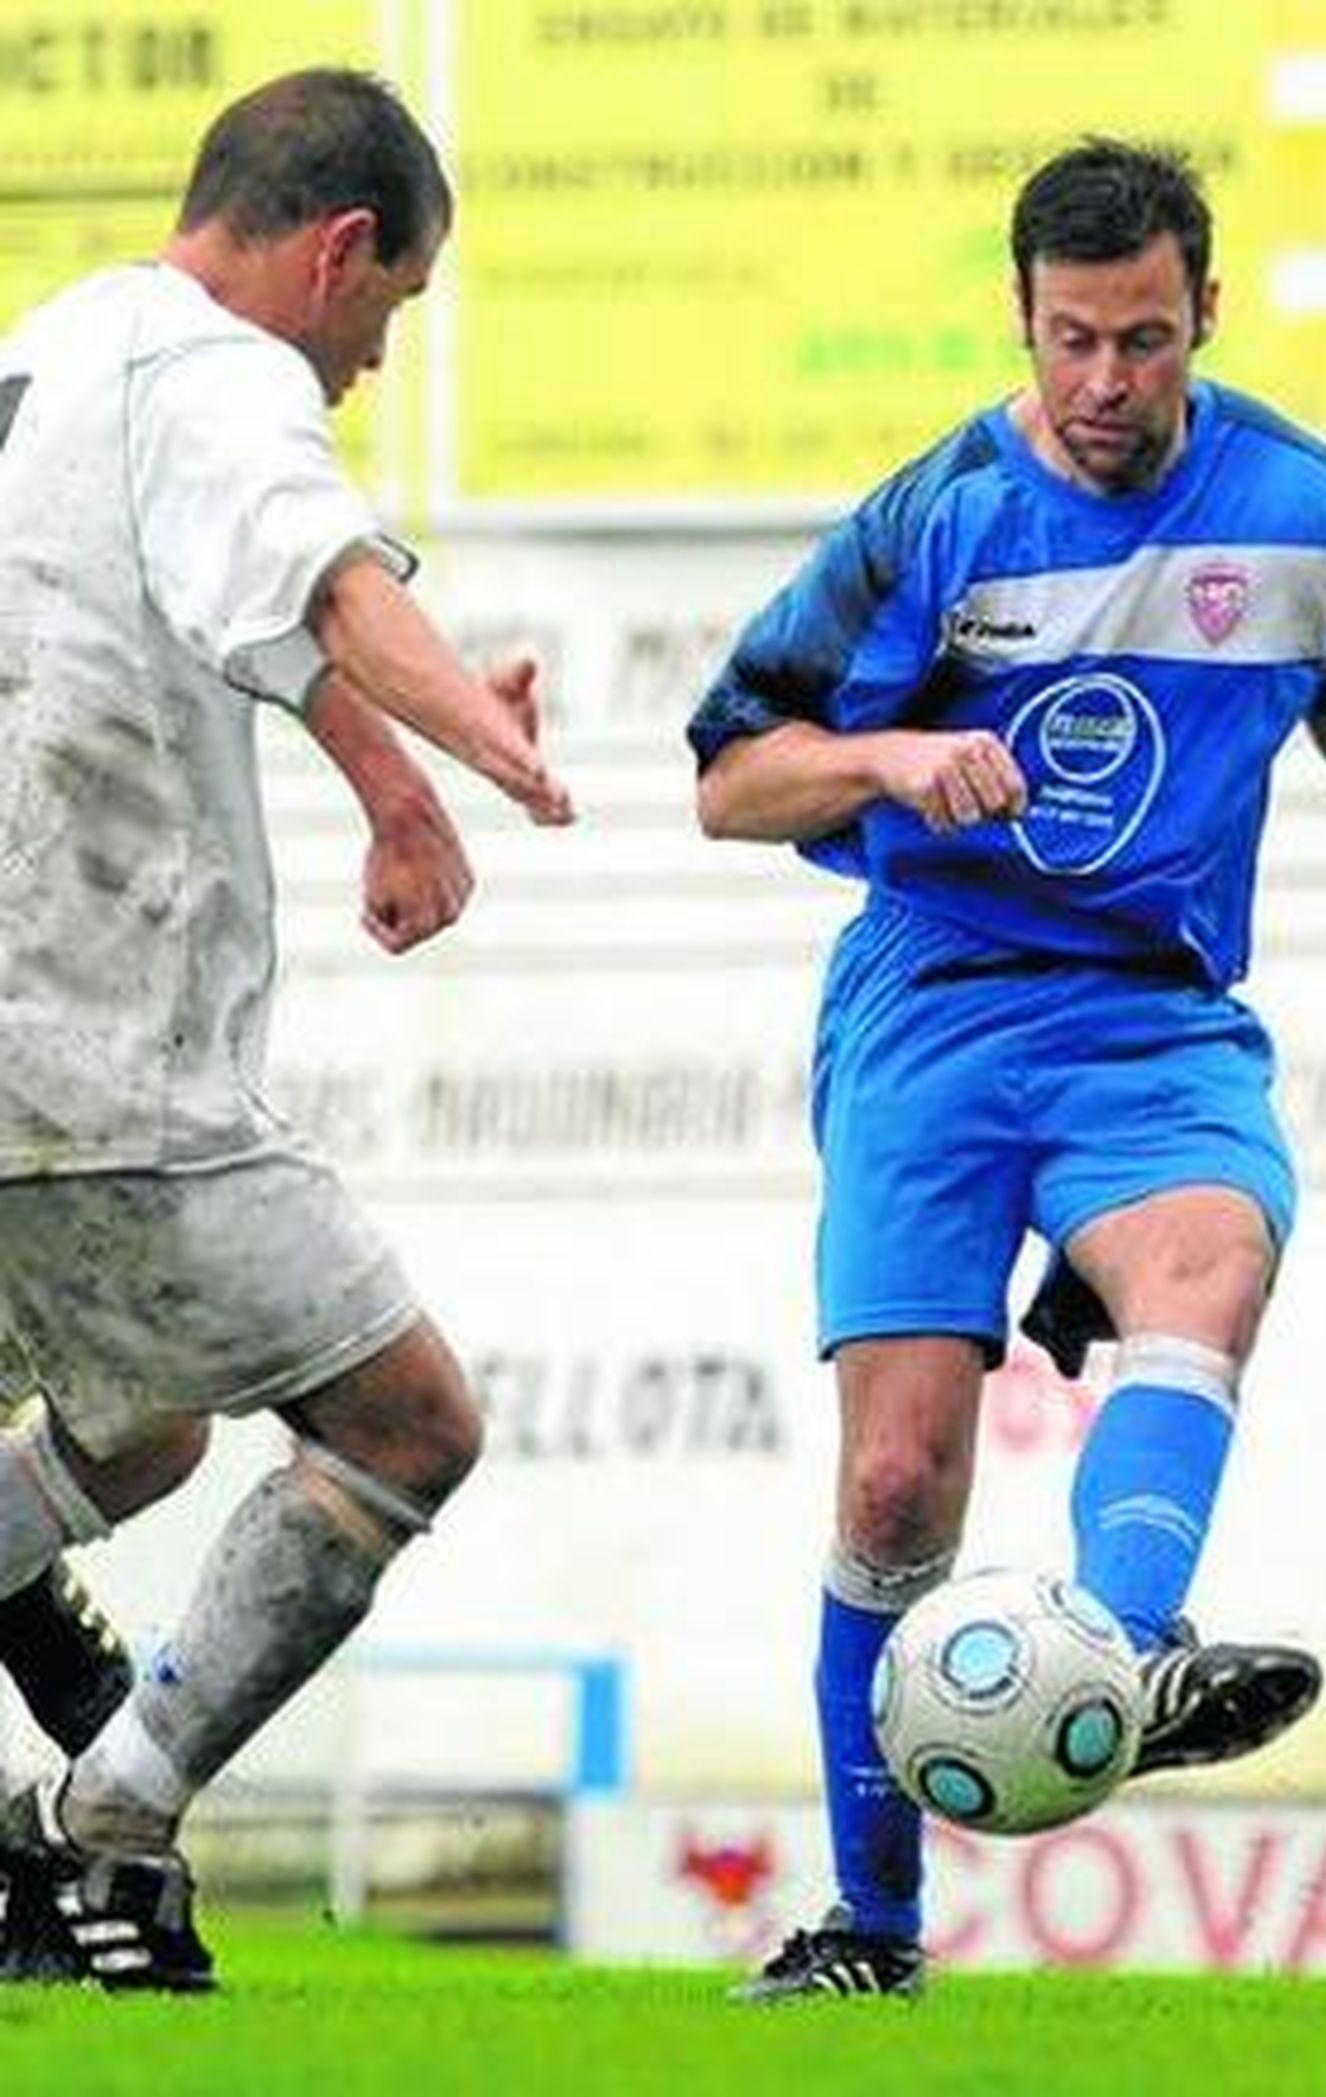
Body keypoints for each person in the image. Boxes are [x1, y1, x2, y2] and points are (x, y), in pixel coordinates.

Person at [688, 136, 1326, 2002]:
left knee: (1212, 1259)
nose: (1107, 382)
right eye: (1075, 340)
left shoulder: (1305, 511)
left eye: (1147, 339)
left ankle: (1124, 1645)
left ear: (1207, 315)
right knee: (898, 1487)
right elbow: (729, 776)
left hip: (1151, 1014)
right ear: (1022, 321)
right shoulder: (937, 519)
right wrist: (888, 758)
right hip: (937, 998)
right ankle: (871, 1923)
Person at [0, 67, 573, 1991]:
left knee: (141, 1427)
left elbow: (226, 613)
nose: (369, 363)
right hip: (93, 1068)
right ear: (338, 251)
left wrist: (388, 789)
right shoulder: (225, 376)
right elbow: (321, 585)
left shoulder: (55, 353)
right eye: (387, 312)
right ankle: (101, 1832)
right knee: (407, 1420)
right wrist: (481, 743)